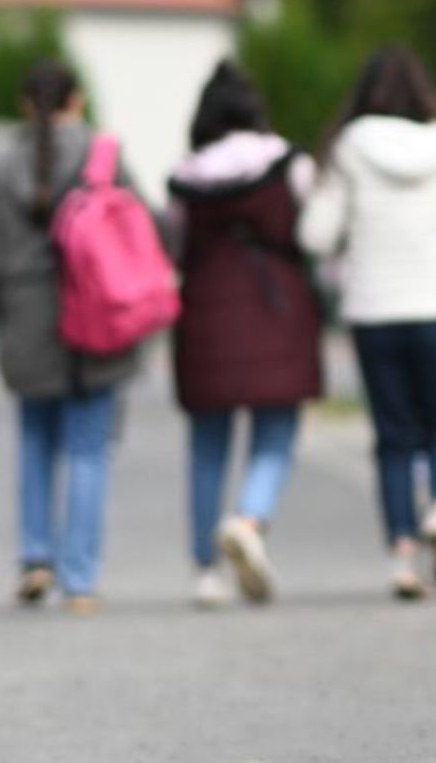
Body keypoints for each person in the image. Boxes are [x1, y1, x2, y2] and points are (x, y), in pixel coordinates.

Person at [300, 46, 436, 600]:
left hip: (375, 307)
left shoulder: (351, 145)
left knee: (393, 436)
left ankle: (403, 557)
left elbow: (316, 235)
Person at [0, 59, 143, 615]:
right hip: (98, 315)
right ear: (79, 101)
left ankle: (35, 557)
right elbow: (146, 228)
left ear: (26, 105)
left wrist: (3, 308)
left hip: (27, 315)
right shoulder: (104, 154)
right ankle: (81, 578)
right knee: (89, 452)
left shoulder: (2, 162)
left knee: (35, 442)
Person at [168, 61, 322, 608]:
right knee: (276, 435)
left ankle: (205, 570)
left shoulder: (187, 174)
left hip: (206, 315)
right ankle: (250, 519)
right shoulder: (289, 163)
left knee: (207, 448)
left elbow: (176, 247)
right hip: (277, 311)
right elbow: (314, 233)